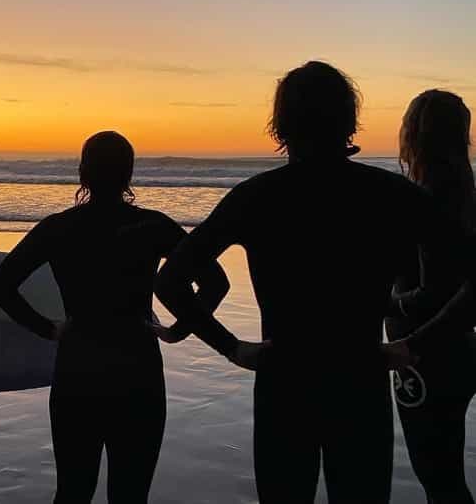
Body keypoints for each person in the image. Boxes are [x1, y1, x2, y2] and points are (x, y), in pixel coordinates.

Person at [154, 61, 475, 504]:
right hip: (360, 383)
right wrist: (414, 345)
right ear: (350, 119)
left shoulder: (256, 196)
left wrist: (232, 347)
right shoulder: (393, 194)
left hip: (284, 384)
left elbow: (170, 282)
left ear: (280, 124)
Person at [0, 131, 229, 503]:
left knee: (73, 490)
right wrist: (179, 330)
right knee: (130, 493)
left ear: (82, 173)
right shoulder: (153, 226)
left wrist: (48, 329)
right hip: (137, 368)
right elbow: (214, 281)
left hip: (78, 366)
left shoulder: (58, 227)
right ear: (129, 174)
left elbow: (1, 286)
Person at [387, 89, 475, 503]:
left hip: (422, 353)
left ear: (414, 133)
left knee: (438, 478)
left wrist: (389, 304)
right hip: (455, 346)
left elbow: (435, 287)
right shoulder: (463, 187)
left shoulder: (428, 194)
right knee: (447, 475)